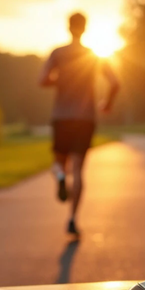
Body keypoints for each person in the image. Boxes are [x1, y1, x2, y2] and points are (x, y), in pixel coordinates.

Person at [38, 12, 120, 235]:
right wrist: (106, 103)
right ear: (84, 28)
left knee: (59, 164)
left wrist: (60, 79)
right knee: (79, 169)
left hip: (61, 116)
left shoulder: (58, 53)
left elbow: (42, 80)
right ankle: (73, 218)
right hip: (85, 118)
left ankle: (61, 177)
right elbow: (115, 82)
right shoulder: (93, 55)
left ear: (68, 27)